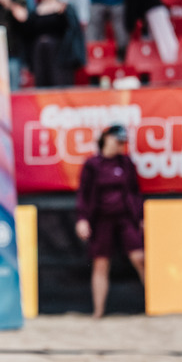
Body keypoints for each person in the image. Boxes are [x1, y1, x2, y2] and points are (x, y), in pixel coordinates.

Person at [75, 124, 145, 319]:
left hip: (124, 217)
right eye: (118, 140)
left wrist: (140, 218)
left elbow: (134, 193)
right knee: (100, 264)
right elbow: (84, 195)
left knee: (140, 257)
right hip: (101, 219)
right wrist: (82, 219)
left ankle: (153, 303)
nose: (121, 145)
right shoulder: (92, 164)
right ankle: (99, 311)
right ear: (106, 139)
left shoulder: (126, 163)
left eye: (123, 142)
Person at [28, 0, 85, 87]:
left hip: (60, 54)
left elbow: (74, 34)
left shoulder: (65, 8)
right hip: (40, 54)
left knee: (60, 83)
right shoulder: (35, 11)